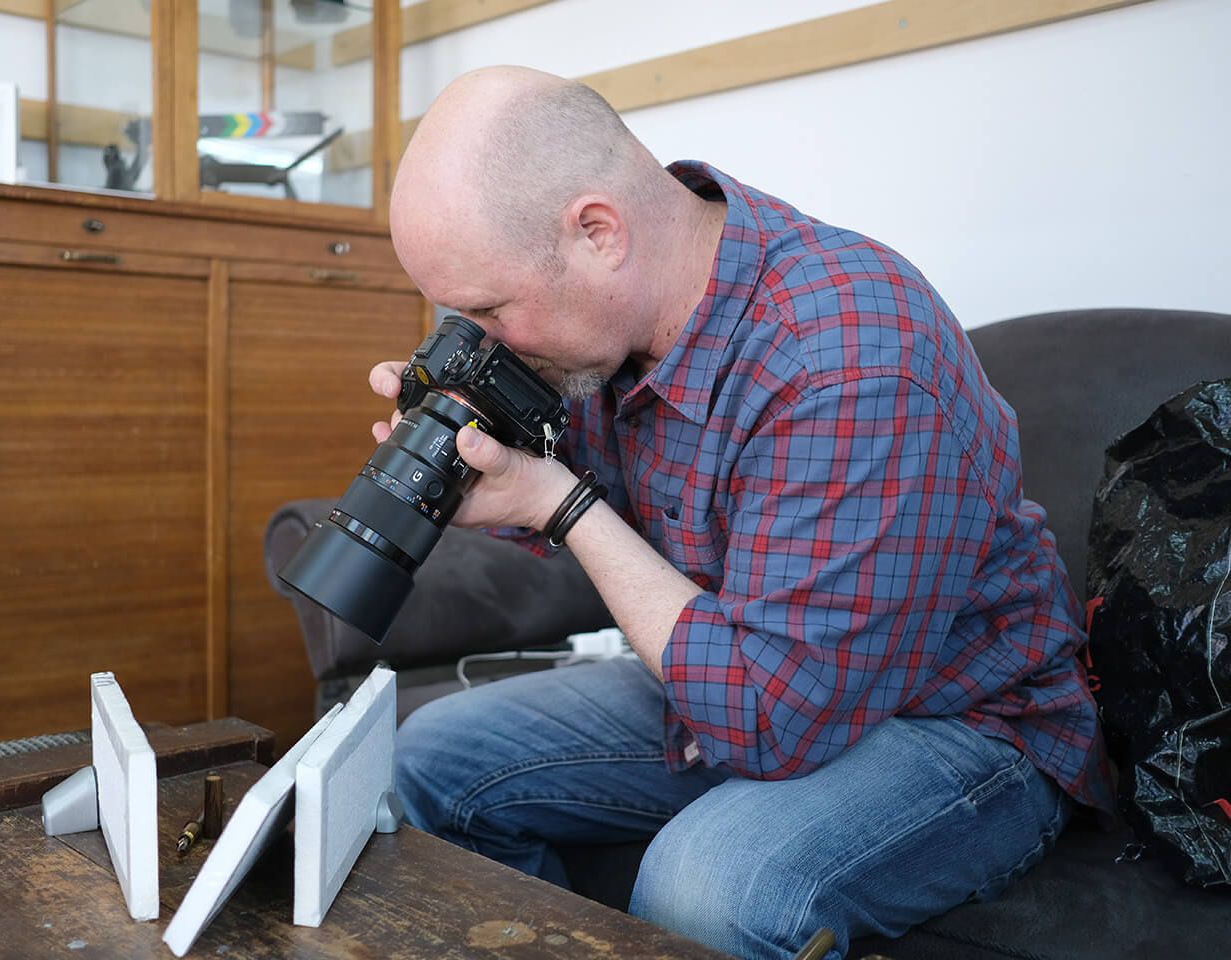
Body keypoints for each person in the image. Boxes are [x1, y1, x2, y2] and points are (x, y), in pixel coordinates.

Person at [371, 65, 1113, 960]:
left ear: (598, 233)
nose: (483, 339)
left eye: (488, 309)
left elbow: (774, 721)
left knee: (705, 888)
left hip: (962, 724)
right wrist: (480, 458)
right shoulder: (615, 334)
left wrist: (561, 505)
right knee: (432, 755)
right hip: (745, 673)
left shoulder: (847, 357)